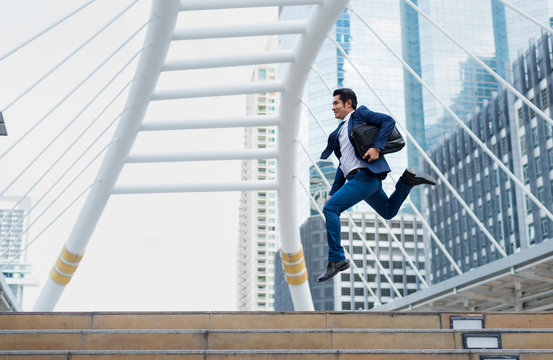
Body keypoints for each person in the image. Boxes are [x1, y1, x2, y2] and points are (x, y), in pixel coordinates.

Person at [317, 88, 436, 282]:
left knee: (330, 209)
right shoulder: (337, 133)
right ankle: (407, 182)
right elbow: (342, 165)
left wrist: (376, 147)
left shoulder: (360, 114)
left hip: (365, 177)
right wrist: (333, 191)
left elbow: (388, 121)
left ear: (348, 103)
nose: (333, 108)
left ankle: (336, 259)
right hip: (359, 180)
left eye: (336, 103)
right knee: (388, 211)